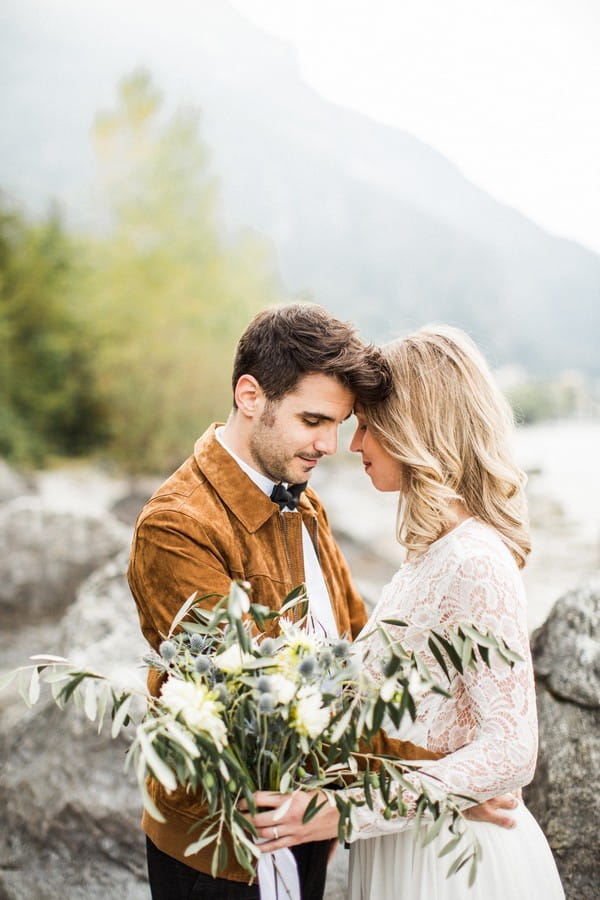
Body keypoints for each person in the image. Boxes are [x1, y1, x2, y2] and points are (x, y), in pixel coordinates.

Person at [128, 303, 456, 900]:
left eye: (339, 423)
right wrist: (435, 781)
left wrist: (451, 763)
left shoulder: (303, 501)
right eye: (312, 420)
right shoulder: (176, 527)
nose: (331, 444)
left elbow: (356, 657)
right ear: (250, 396)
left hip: (305, 824)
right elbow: (259, 703)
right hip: (220, 849)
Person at [250, 325, 565, 899]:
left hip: (453, 867)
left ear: (414, 430)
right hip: (408, 844)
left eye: (368, 426)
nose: (353, 444)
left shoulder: (474, 559)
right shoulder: (431, 556)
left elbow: (512, 749)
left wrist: (347, 810)